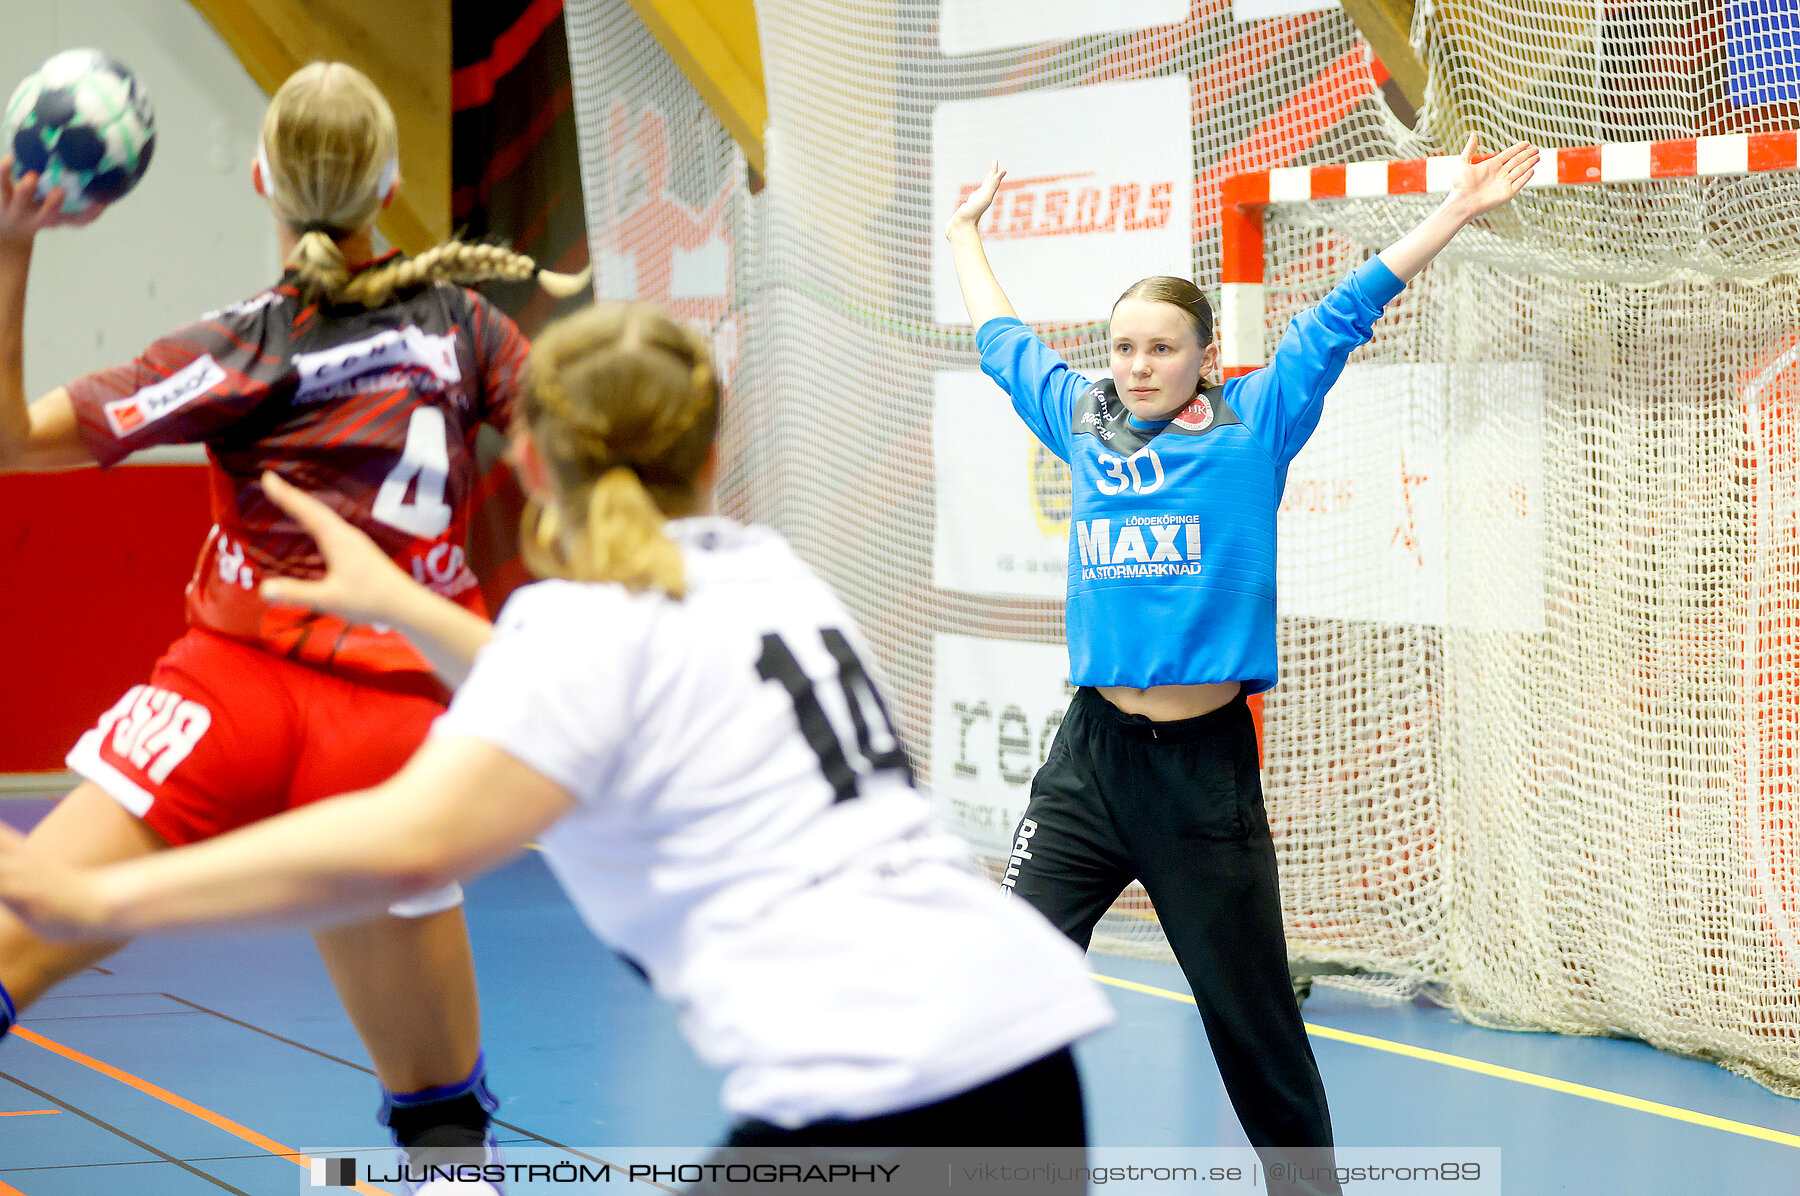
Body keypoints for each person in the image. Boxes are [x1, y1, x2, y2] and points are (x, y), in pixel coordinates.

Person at [0, 301, 1115, 1187]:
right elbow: (592, 698)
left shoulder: (578, 626)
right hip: (1026, 1055)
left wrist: (104, 903)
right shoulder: (769, 568)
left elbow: (404, 845)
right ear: (712, 451)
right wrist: (403, 602)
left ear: (526, 461)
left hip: (877, 1088)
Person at [0, 61, 585, 1188]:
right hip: (396, 735)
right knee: (445, 1125)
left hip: (229, 694)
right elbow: (574, 460)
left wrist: (13, 241)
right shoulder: (468, 328)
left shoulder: (237, 346)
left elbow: (13, 439)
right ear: (393, 184)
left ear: (263, 178)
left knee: (24, 929)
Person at [944, 134, 1540, 1196]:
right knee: (1001, 980)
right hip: (1087, 764)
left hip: (1199, 777)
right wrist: (964, 234)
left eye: (1161, 348)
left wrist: (1449, 214)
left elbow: (1348, 309)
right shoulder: (1083, 422)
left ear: (1205, 359)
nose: (1136, 365)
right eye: (1123, 347)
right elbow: (1003, 341)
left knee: (1255, 1029)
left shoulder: (1254, 422)